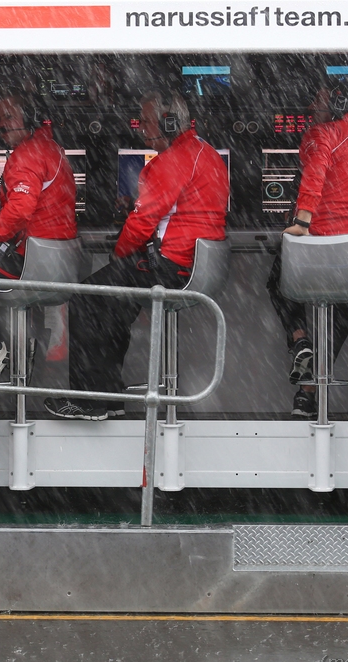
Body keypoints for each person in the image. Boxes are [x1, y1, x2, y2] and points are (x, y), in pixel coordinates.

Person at [47, 91, 228, 420]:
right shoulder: (207, 153)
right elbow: (182, 210)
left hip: (171, 267)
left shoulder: (171, 160)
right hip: (195, 267)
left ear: (169, 123)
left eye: (145, 121)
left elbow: (141, 226)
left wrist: (118, 257)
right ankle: (108, 397)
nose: (140, 127)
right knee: (114, 299)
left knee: (90, 299)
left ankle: (93, 400)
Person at [266, 81, 348, 418]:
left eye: (317, 99)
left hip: (314, 251)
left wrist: (302, 220)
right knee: (342, 314)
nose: (310, 105)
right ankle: (309, 392)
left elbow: (314, 174)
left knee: (276, 283)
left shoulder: (323, 133)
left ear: (339, 103)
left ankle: (300, 339)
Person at [0, 92, 78, 382]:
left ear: (27, 119)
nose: (1, 125)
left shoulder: (26, 155)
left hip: (37, 262)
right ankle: (23, 341)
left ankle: (3, 347)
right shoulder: (51, 147)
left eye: (8, 117)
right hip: (61, 261)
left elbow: (19, 210)